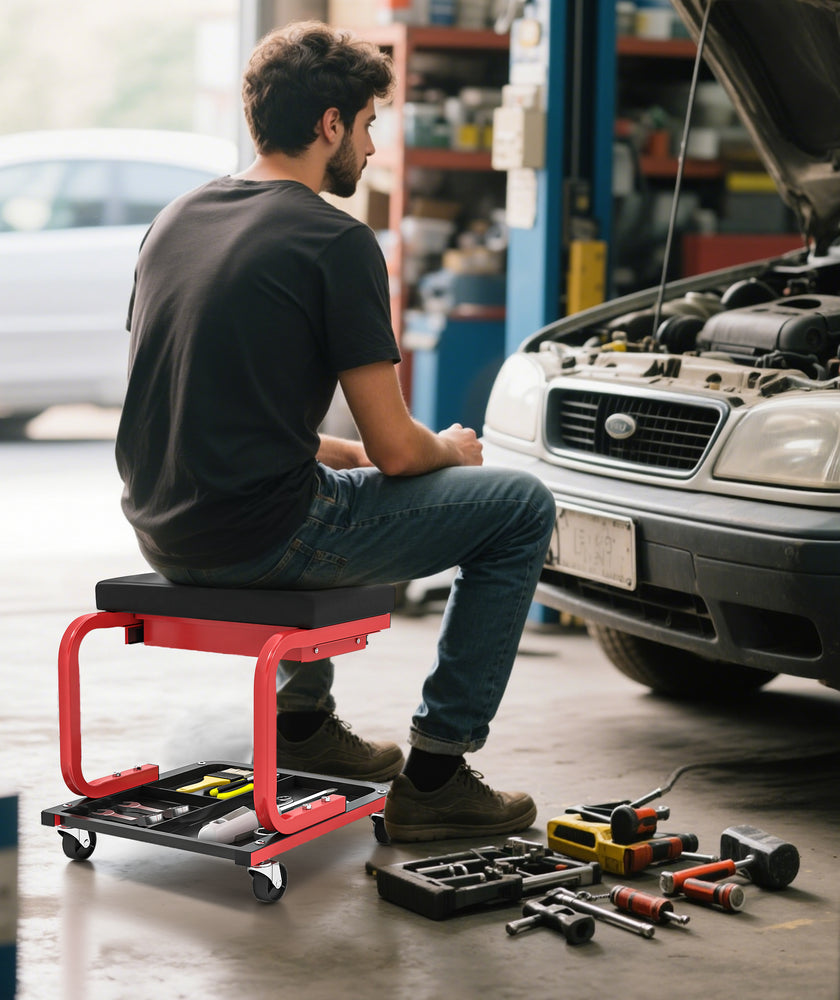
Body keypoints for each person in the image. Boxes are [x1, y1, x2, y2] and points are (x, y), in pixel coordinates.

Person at [115, 20, 556, 842]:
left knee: (331, 479)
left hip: (162, 528)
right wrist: (450, 453)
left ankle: (305, 725)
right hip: (260, 537)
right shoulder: (334, 240)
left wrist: (340, 452)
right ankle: (439, 774)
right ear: (329, 126)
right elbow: (399, 450)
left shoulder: (178, 218)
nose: (371, 147)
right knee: (522, 505)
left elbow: (200, 397)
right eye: (367, 125)